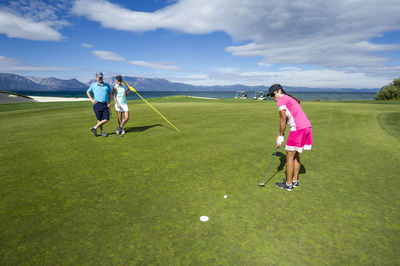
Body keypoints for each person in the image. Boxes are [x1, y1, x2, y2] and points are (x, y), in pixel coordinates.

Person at [266, 84, 312, 191]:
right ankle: (294, 181)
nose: (273, 97)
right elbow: (286, 119)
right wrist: (280, 134)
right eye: (270, 96)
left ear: (279, 91)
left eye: (273, 94)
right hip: (306, 127)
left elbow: (282, 119)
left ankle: (288, 184)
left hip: (298, 129)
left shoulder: (281, 100)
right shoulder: (289, 98)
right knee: (295, 155)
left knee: (289, 156)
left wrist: (281, 136)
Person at [87, 72, 112, 137]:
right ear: (96, 78)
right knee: (99, 120)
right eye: (99, 77)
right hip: (97, 104)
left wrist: (109, 103)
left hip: (105, 104)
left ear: (102, 77)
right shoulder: (93, 85)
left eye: (101, 77)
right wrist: (91, 99)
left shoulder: (107, 85)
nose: (100, 78)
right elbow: (88, 91)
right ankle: (102, 132)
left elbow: (110, 94)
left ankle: (94, 128)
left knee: (107, 119)